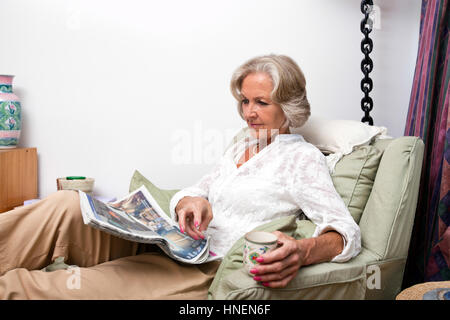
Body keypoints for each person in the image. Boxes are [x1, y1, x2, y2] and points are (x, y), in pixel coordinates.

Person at [0, 54, 360, 299]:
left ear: (290, 106)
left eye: (261, 103)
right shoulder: (241, 148)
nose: (249, 113)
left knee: (56, 287)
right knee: (67, 205)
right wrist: (192, 201)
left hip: (204, 267)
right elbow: (199, 189)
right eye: (244, 102)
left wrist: (303, 250)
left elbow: (344, 232)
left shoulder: (301, 158)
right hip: (173, 243)